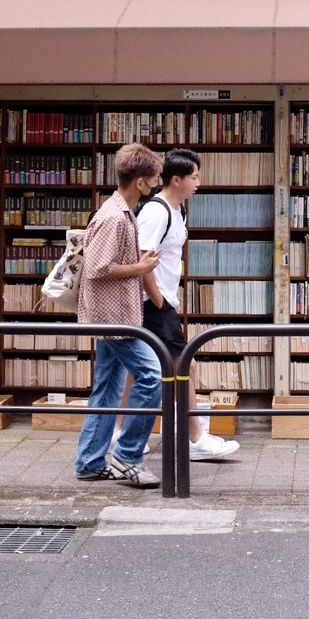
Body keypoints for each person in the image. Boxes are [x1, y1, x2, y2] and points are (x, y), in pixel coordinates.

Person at [136, 148, 240, 460]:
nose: (199, 182)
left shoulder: (178, 209)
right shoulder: (157, 212)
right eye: (194, 177)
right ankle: (195, 439)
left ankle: (120, 435)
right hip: (153, 302)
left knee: (135, 370)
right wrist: (160, 302)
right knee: (186, 365)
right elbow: (142, 261)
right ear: (176, 179)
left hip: (162, 300)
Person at [75, 143, 164, 488]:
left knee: (107, 388)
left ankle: (89, 461)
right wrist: (141, 267)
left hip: (113, 315)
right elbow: (98, 268)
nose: (156, 186)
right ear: (140, 182)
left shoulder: (118, 211)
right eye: (154, 180)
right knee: (153, 376)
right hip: (114, 318)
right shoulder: (115, 217)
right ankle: (127, 455)